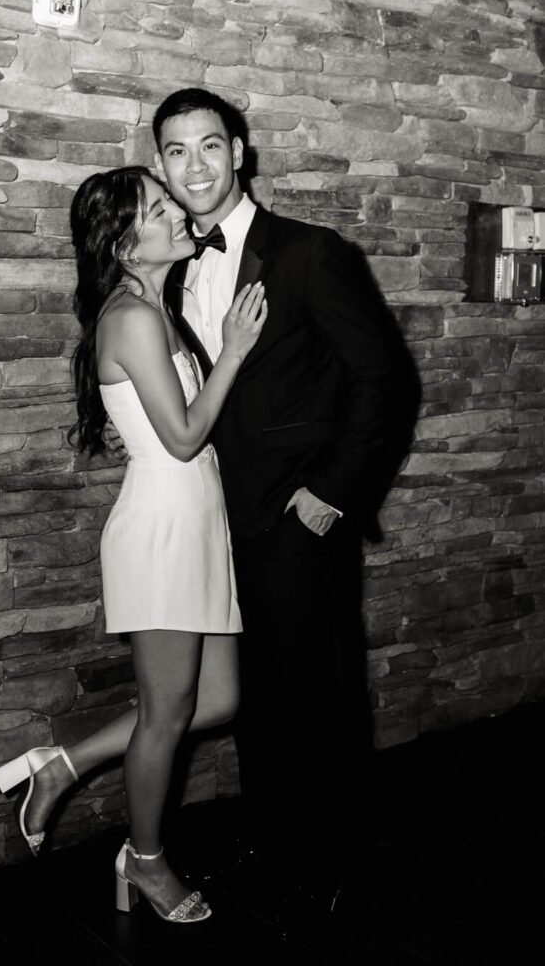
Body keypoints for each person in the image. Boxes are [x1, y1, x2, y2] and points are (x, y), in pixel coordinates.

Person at [133, 88, 419, 892]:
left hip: (298, 518)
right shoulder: (167, 261)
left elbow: (381, 378)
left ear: (240, 152)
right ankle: (273, 841)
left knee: (316, 695)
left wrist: (327, 495)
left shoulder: (308, 252)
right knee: (254, 699)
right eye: (178, 151)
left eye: (211, 146)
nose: (196, 165)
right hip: (215, 520)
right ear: (161, 163)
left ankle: (332, 862)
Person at [0, 166, 267, 924]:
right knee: (168, 714)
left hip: (195, 520)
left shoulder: (153, 307)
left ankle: (63, 764)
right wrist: (237, 350)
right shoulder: (134, 317)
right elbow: (180, 438)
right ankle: (145, 862)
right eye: (157, 207)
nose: (177, 209)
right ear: (122, 242)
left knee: (215, 700)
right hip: (163, 527)